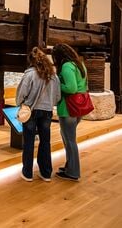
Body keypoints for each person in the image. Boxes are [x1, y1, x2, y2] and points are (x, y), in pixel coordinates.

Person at [16, 47, 61, 182]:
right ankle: (46, 173)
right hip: (47, 111)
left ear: (31, 61)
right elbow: (57, 96)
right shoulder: (53, 75)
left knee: (29, 142)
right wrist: (49, 104)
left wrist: (21, 103)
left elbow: (21, 94)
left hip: (31, 110)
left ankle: (27, 173)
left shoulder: (29, 74)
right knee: (45, 142)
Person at [52, 43, 89, 182]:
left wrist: (56, 84)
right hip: (78, 107)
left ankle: (73, 172)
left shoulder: (67, 66)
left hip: (68, 108)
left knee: (70, 140)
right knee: (68, 138)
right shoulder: (79, 64)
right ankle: (69, 166)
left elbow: (71, 88)